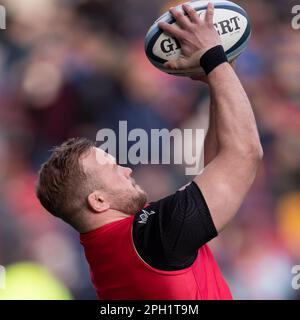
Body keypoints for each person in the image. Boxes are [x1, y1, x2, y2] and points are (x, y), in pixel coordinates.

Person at [36, 3, 263, 300]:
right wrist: (213, 58)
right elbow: (244, 154)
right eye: (113, 169)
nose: (127, 169)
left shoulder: (118, 245)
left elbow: (217, 169)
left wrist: (217, 81)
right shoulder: (154, 237)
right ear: (99, 200)